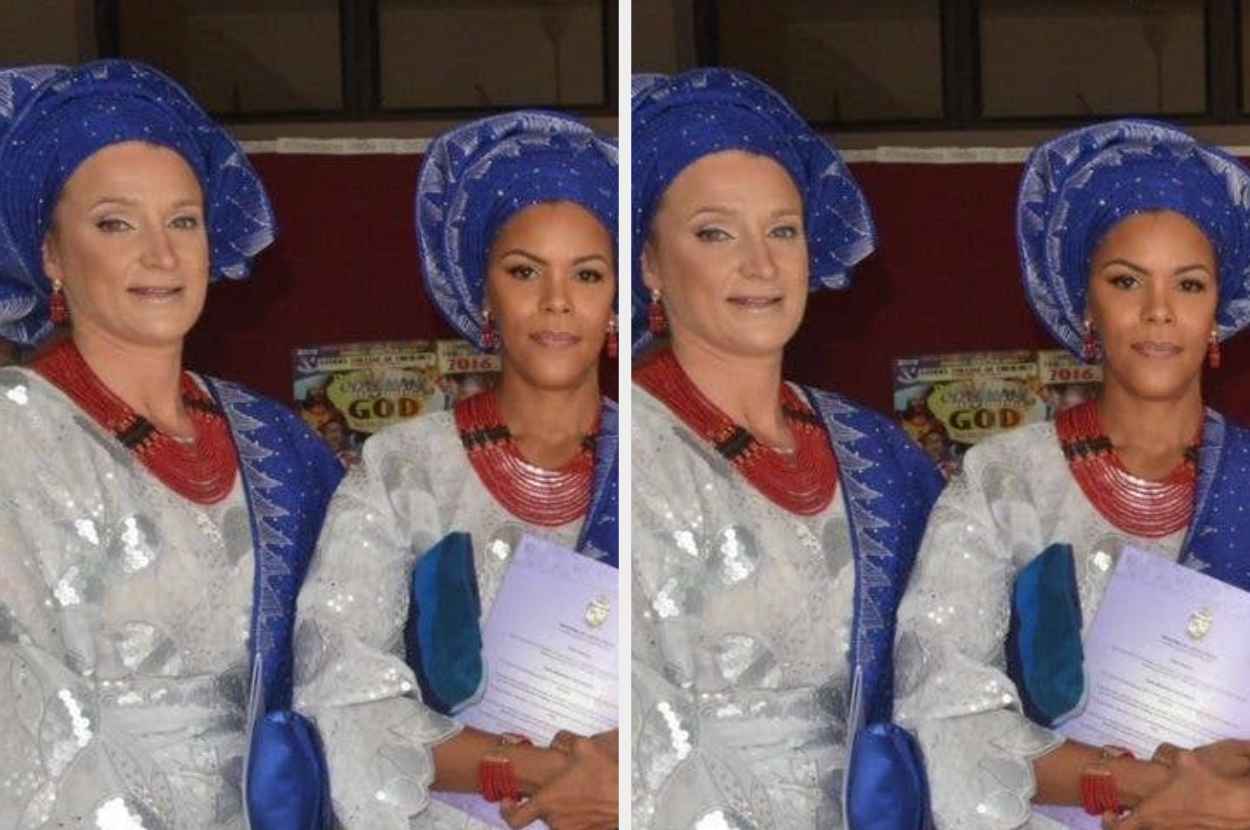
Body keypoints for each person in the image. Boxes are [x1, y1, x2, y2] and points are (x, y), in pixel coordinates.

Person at [0, 61, 342, 829]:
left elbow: (357, 649)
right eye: (116, 223)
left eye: (182, 221)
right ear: (51, 253)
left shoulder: (278, 444)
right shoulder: (15, 435)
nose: (161, 254)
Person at [894, 119, 1250, 828]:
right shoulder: (1004, 484)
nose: (1158, 312)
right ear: (1085, 303)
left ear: (1219, 311)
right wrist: (1140, 785)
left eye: (1188, 284)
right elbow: (942, 711)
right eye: (1126, 281)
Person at [630, 68, 943, 830]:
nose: (761, 265)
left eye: (782, 229)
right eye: (714, 232)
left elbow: (954, 669)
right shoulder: (617, 447)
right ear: (648, 265)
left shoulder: (880, 456)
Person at [294, 111, 619, 830]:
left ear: (618, 302)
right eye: (524, 271)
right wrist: (547, 773)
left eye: (588, 274)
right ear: (483, 297)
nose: (557, 300)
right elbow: (343, 694)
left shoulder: (669, 473)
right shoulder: (404, 470)